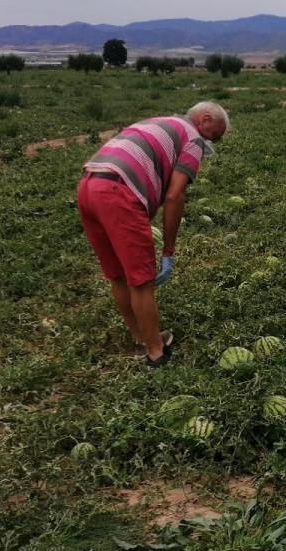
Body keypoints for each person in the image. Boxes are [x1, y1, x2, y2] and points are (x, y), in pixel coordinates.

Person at [77, 101, 229, 366]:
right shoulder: (193, 138)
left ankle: (141, 337)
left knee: (119, 275)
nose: (207, 147)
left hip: (89, 187)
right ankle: (157, 353)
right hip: (118, 194)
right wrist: (168, 250)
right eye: (212, 137)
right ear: (204, 120)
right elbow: (174, 195)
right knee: (141, 281)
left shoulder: (161, 122)